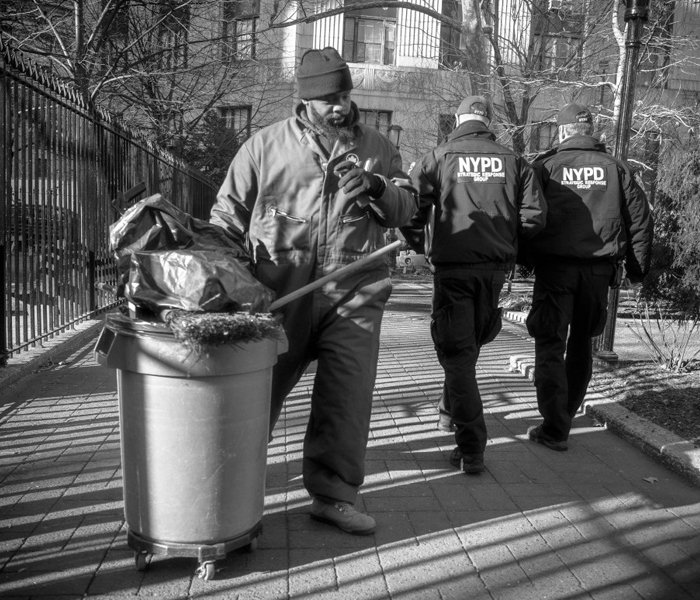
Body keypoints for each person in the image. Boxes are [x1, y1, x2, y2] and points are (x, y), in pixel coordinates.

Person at [210, 47, 418, 535]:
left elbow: (408, 208)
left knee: (346, 399)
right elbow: (225, 219)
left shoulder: (378, 149)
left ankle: (335, 494)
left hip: (355, 290)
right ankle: (228, 490)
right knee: (254, 396)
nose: (340, 107)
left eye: (344, 95)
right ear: (304, 102)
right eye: (328, 100)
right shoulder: (263, 148)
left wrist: (375, 188)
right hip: (280, 291)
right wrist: (225, 276)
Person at [401, 96, 547, 474]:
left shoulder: (440, 156)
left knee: (458, 356)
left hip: (453, 268)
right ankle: (449, 415)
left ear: (460, 120)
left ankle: (471, 447)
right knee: (467, 349)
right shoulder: (514, 161)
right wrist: (508, 243)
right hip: (494, 269)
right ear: (488, 121)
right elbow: (534, 217)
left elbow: (408, 205)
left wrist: (421, 243)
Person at [524, 102, 653, 451]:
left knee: (549, 343)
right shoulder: (616, 168)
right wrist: (638, 271)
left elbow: (527, 217)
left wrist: (524, 262)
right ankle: (564, 413)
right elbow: (640, 221)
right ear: (591, 129)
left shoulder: (546, 167)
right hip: (598, 274)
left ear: (563, 131)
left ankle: (555, 425)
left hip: (555, 271)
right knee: (581, 343)